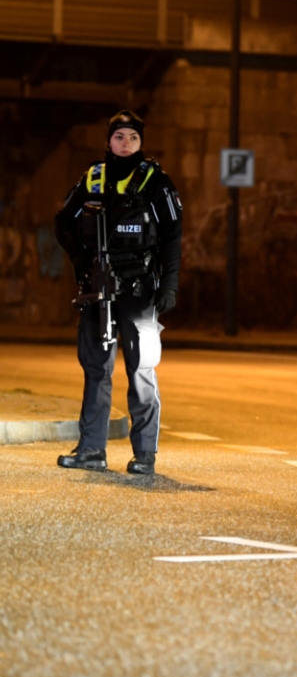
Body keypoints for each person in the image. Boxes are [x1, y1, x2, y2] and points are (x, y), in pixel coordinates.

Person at [53, 110, 182, 475]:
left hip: (139, 288)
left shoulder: (155, 181)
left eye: (133, 138)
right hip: (98, 286)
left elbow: (173, 235)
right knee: (95, 368)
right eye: (119, 137)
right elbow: (62, 221)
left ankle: (144, 455)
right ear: (108, 141)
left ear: (141, 143)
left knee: (141, 369)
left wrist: (170, 283)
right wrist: (80, 258)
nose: (126, 144)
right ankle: (92, 450)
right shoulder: (93, 177)